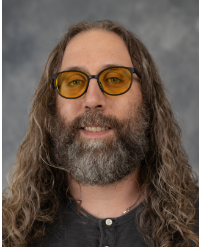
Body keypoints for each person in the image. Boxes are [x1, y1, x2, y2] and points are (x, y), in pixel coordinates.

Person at [2, 20, 199, 247]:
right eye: (74, 81)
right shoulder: (10, 233)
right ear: (51, 105)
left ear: (148, 99)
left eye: (115, 79)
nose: (93, 100)